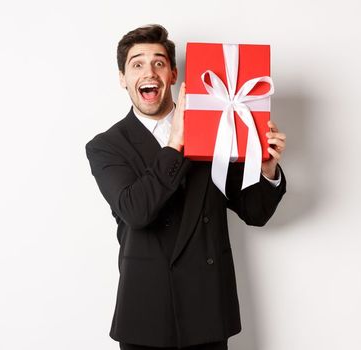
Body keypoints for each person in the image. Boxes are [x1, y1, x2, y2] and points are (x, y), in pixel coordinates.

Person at [84, 24, 287, 350]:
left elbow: (255, 212)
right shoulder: (106, 146)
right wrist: (177, 142)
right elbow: (136, 211)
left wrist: (266, 168)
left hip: (206, 309)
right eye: (136, 64)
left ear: (174, 73)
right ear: (122, 77)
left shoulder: (217, 132)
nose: (148, 71)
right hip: (146, 313)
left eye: (159, 63)